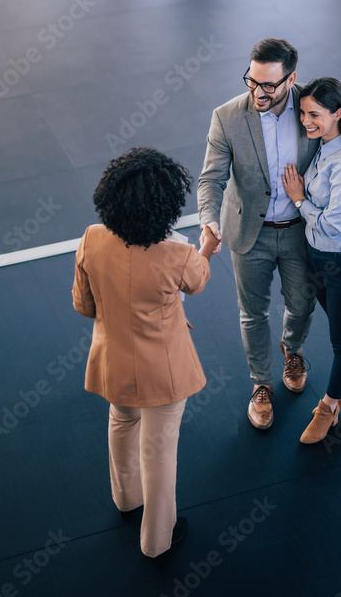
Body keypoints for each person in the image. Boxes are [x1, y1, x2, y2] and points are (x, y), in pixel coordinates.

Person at [198, 39, 341, 431]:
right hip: (250, 233)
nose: (258, 91)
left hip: (302, 233)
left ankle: (292, 351)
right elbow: (210, 179)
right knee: (253, 314)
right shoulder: (227, 117)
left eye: (268, 85)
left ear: (290, 78)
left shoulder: (309, 107)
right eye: (252, 80)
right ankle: (261, 384)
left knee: (302, 305)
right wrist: (208, 220)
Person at [72, 147, 218, 557]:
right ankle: (157, 541)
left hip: (112, 362)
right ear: (166, 205)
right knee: (160, 450)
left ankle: (125, 499)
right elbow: (198, 282)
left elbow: (84, 307)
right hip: (165, 371)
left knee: (122, 421)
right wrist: (206, 247)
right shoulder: (178, 254)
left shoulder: (92, 238)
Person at [281, 77, 341, 444]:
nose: (306, 121)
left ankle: (328, 407)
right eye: (303, 113)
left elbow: (335, 226)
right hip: (320, 262)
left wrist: (299, 199)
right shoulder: (322, 148)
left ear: (338, 113)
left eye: (315, 114)